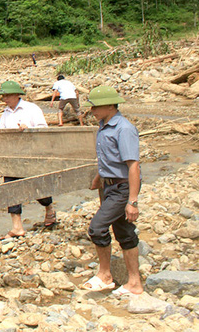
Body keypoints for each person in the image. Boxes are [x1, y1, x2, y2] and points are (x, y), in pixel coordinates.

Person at [81, 86, 143, 296]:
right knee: (124, 233)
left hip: (121, 187)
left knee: (97, 228)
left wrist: (132, 201)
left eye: (96, 107)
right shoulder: (104, 126)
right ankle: (134, 282)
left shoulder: (123, 129)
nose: (92, 111)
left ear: (109, 105)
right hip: (109, 185)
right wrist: (99, 178)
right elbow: (108, 158)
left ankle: (105, 275)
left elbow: (133, 165)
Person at [0, 81, 57, 237]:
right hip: (13, 157)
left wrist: (28, 129)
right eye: (4, 96)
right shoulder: (5, 114)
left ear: (17, 95)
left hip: (32, 154)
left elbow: (44, 130)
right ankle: (17, 226)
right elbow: (1, 137)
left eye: (8, 95)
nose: (5, 98)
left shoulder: (31, 109)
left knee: (36, 186)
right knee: (10, 187)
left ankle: (49, 207)